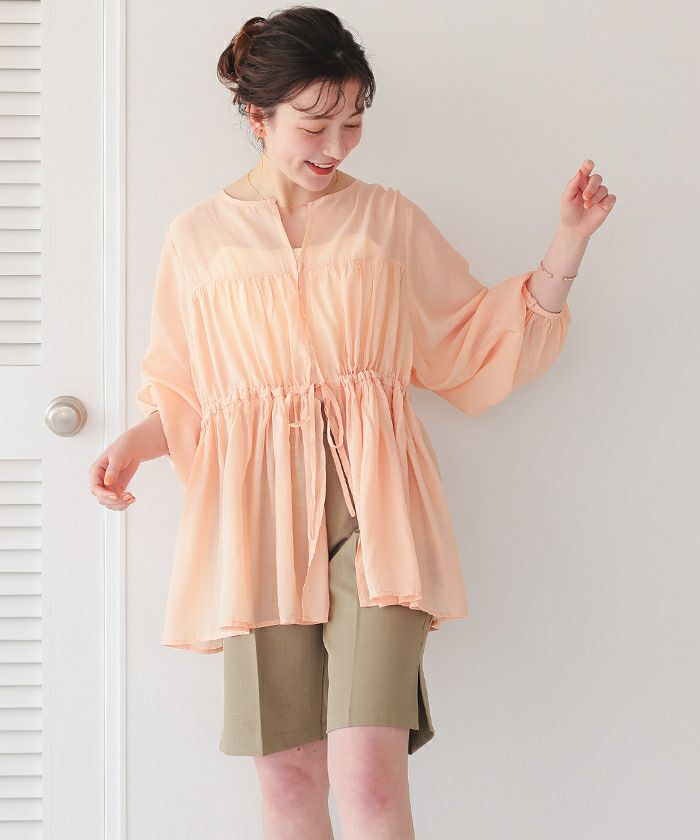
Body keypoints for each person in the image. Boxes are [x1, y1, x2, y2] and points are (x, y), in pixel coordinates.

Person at [88, 6, 615, 838]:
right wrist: (135, 444)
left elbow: (470, 339)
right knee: (290, 779)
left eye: (353, 121)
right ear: (257, 116)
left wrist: (568, 243)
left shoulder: (385, 220)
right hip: (256, 523)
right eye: (314, 124)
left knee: (368, 777)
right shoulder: (197, 238)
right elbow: (186, 393)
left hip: (378, 515)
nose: (336, 145)